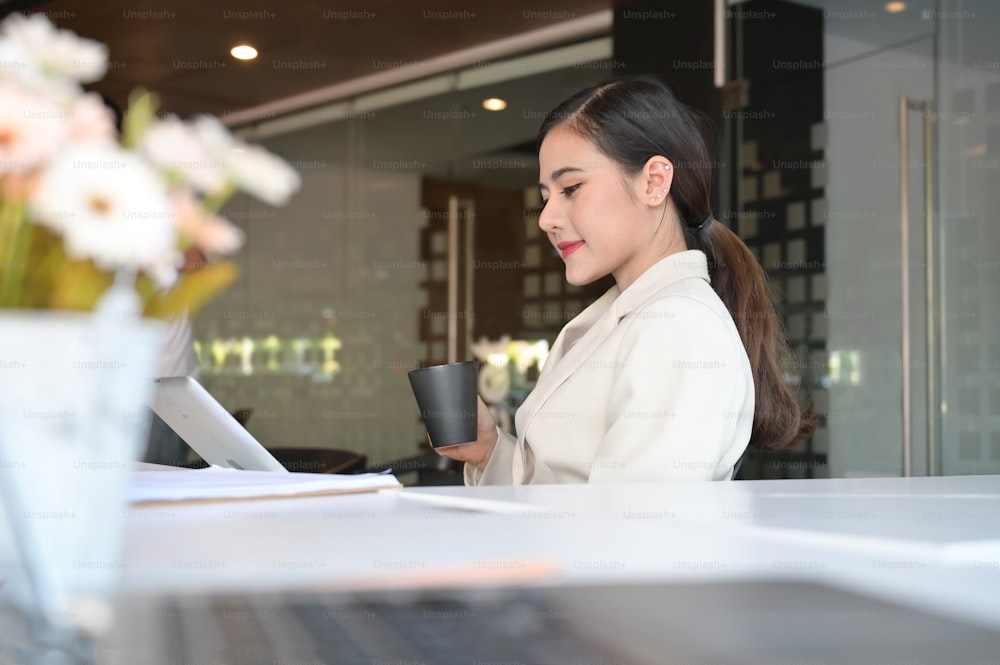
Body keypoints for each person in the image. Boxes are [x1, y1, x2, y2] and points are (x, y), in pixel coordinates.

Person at [437, 75, 817, 484]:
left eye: (571, 187)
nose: (546, 219)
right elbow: (572, 494)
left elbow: (634, 530)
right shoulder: (632, 316)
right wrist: (489, 450)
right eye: (546, 197)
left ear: (654, 181)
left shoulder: (681, 327)